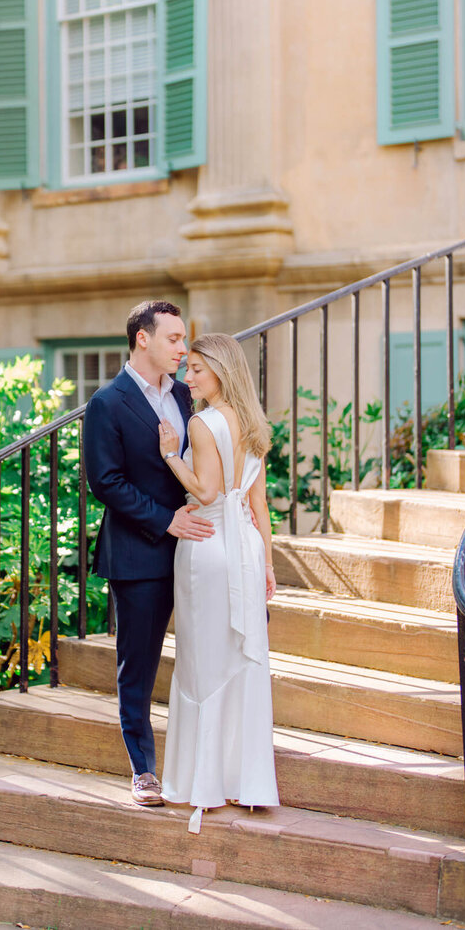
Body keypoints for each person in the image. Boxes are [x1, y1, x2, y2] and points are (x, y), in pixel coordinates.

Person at [83, 301, 215, 807]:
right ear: (143, 338)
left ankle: (203, 760)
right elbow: (106, 482)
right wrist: (165, 520)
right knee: (137, 666)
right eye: (174, 339)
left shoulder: (186, 395)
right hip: (139, 555)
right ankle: (143, 770)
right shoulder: (107, 403)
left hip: (196, 547)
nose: (184, 350)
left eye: (184, 340)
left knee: (203, 655)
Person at [157, 332, 279, 833]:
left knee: (202, 662)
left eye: (198, 371)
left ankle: (201, 783)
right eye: (188, 369)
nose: (188, 378)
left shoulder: (202, 423)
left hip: (208, 549)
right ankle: (242, 780)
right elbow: (259, 505)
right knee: (240, 659)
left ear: (222, 373)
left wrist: (171, 455)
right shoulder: (252, 423)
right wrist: (269, 563)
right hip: (246, 550)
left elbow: (206, 490)